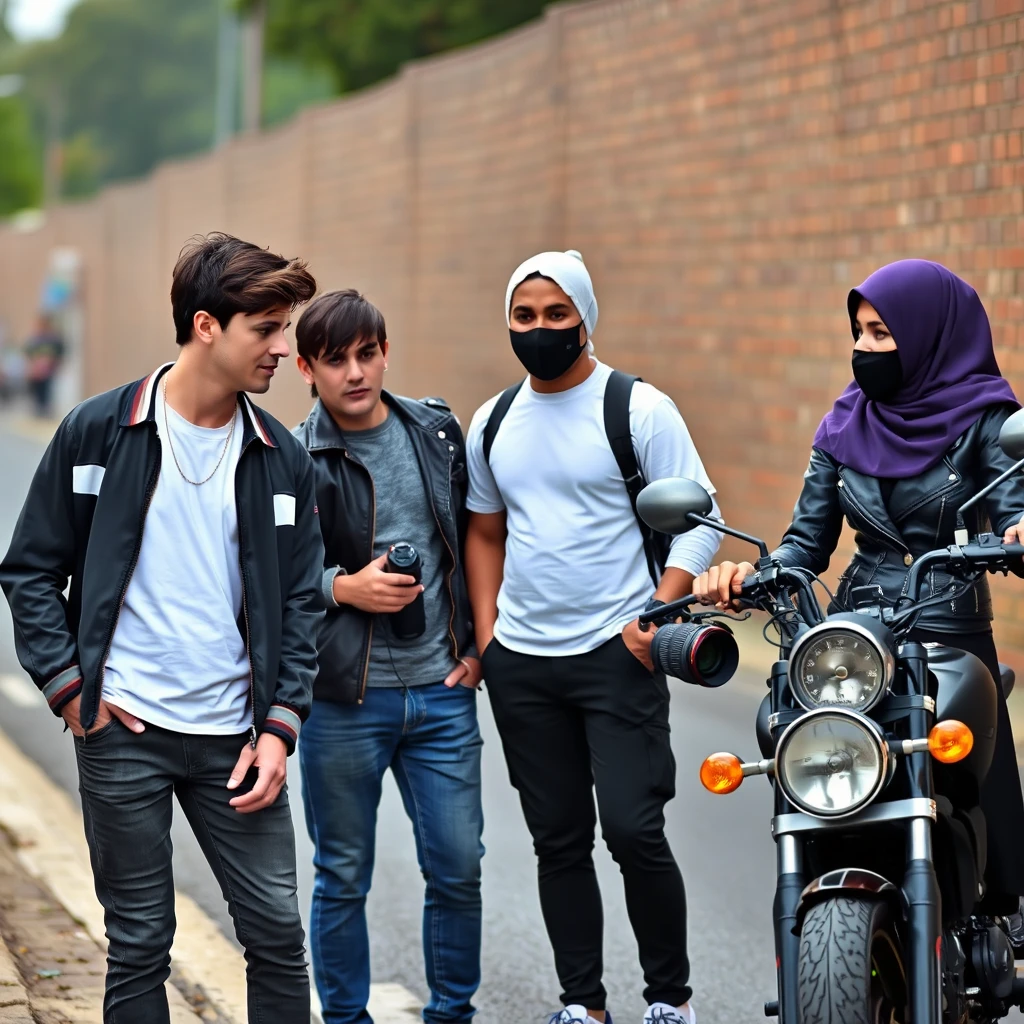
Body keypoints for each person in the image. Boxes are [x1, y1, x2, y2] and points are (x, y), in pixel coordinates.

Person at [0, 232, 323, 1023]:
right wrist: (71, 689)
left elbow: (305, 601)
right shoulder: (98, 431)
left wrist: (280, 727)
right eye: (267, 329)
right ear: (207, 325)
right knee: (140, 939)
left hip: (237, 743)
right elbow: (30, 570)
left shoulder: (281, 457)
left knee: (278, 934)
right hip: (124, 731)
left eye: (285, 328)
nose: (284, 348)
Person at [694, 258, 1024, 920]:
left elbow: (1013, 503)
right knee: (789, 730)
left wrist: (1018, 529)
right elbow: (805, 544)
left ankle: (1008, 917)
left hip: (948, 624)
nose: (864, 349)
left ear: (931, 334)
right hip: (857, 628)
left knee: (981, 769)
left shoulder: (988, 419)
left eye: (882, 333)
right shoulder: (842, 426)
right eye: (860, 332)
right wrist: (746, 574)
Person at [465, 250, 721, 1024]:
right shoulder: (495, 421)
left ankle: (669, 1001)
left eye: (555, 315)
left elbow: (699, 526)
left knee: (636, 830)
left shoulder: (638, 409)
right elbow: (484, 531)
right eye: (524, 316)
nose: (539, 330)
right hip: (524, 664)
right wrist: (489, 637)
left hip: (618, 653)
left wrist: (655, 619)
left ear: (584, 318)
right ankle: (584, 1005)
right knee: (559, 842)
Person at [293, 289, 483, 1024]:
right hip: (344, 698)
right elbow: (264, 576)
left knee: (459, 868)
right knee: (342, 874)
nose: (354, 372)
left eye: (366, 354)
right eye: (334, 360)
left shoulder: (436, 433)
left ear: (385, 352)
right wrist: (344, 587)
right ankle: (344, 1020)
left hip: (441, 691)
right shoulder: (292, 456)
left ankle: (451, 1016)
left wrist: (477, 649)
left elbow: (478, 540)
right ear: (306, 368)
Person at [23, 313, 66, 418]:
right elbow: (28, 353)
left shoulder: (53, 339)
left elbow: (60, 352)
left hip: (49, 370)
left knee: (47, 389)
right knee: (37, 389)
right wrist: (32, 365)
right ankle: (38, 408)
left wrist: (56, 363)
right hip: (37, 370)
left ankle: (46, 408)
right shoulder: (35, 339)